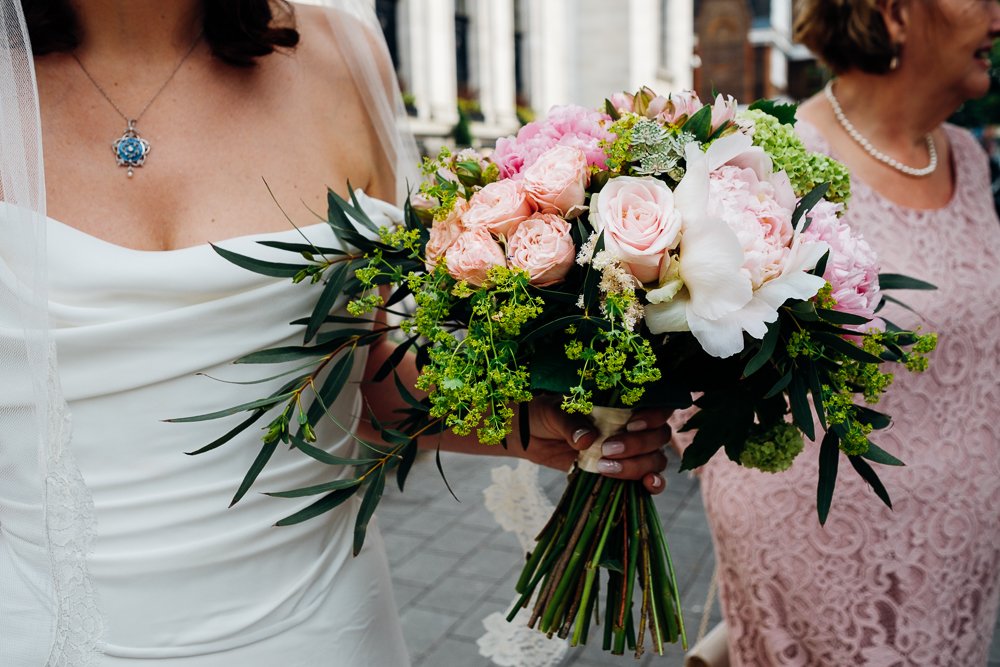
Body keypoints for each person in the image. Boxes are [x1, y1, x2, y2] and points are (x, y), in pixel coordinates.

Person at [0, 1, 670, 665]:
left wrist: (527, 421)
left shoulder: (339, 57)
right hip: (48, 634)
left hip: (320, 631)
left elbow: (366, 386)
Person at [696, 0, 1000, 664]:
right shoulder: (778, 159)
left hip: (964, 562)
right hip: (827, 568)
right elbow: (706, 370)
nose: (997, 17)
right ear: (895, 13)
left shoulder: (969, 160)